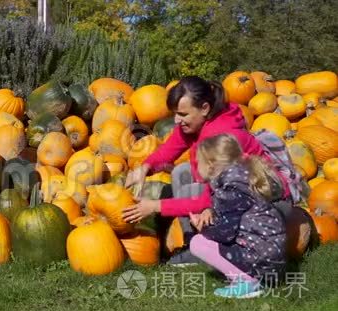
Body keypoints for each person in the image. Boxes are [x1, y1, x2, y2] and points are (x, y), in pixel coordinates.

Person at [122, 76, 291, 266]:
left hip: (266, 207)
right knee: (182, 173)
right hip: (236, 195)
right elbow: (170, 148)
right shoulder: (196, 123)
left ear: (204, 108)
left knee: (195, 193)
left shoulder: (222, 140)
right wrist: (145, 167)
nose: (177, 120)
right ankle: (192, 242)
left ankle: (207, 247)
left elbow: (208, 200)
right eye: (175, 114)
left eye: (183, 114)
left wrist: (154, 206)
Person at [189, 134, 286, 298]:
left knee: (198, 243)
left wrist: (203, 228)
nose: (196, 167)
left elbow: (226, 233)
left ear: (211, 165)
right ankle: (246, 275)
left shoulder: (232, 189)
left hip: (261, 259)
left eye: (199, 163)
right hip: (268, 256)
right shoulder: (241, 179)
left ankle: (247, 281)